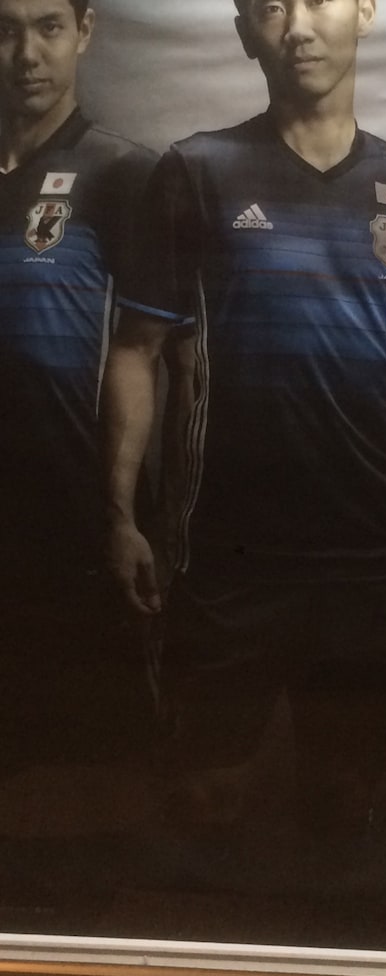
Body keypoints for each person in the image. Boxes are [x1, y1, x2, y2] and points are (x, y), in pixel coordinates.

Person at [103, 0, 386, 843]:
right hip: (224, 557)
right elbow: (135, 350)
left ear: (364, 12)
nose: (298, 27)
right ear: (246, 30)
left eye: (318, 1)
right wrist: (121, 516)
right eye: (272, 7)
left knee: (349, 810)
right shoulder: (197, 170)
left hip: (374, 559)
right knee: (203, 806)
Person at [0, 0, 156, 781]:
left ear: (85, 31)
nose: (27, 53)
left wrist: (121, 516)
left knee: (78, 767)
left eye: (49, 27)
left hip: (68, 519)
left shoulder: (122, 171)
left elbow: (143, 353)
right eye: (5, 30)